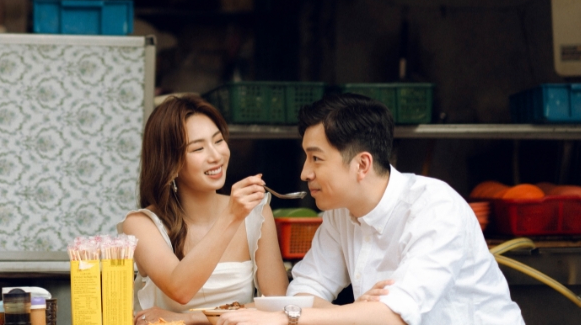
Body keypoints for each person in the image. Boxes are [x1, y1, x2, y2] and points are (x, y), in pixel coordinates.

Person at [219, 94, 524, 325]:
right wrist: (357, 312)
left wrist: (288, 317)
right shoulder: (341, 213)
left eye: (316, 159)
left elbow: (396, 316)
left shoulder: (434, 208)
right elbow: (304, 292)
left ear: (362, 164)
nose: (304, 173)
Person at [122, 95, 287, 323]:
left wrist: (195, 318)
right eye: (198, 148)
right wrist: (231, 216)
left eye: (218, 141)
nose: (216, 156)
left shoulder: (257, 212)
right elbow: (180, 289)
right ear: (170, 163)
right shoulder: (141, 224)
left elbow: (277, 302)